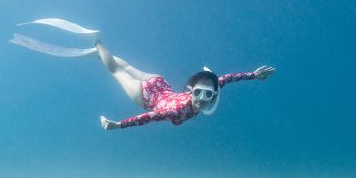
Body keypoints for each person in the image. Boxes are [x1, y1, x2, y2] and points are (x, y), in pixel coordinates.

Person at [94, 41, 275, 131]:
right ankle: (97, 44)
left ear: (214, 94)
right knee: (117, 70)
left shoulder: (214, 86)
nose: (202, 99)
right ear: (190, 90)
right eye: (198, 92)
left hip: (159, 83)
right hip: (144, 95)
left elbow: (228, 78)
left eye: (207, 94)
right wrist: (117, 126)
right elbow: (147, 117)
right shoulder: (176, 111)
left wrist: (254, 75)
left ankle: (101, 54)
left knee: (127, 67)